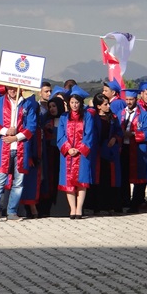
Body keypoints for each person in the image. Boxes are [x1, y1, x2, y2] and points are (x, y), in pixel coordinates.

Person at [0, 85, 37, 223]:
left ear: (20, 88)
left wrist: (16, 137)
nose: (12, 90)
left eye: (15, 88)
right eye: (9, 87)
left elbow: (32, 126)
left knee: (19, 182)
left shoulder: (28, 104)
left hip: (21, 148)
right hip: (3, 149)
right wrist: (6, 131)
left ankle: (12, 211)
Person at [57, 88, 94, 219]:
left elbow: (89, 135)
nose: (74, 105)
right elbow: (60, 135)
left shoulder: (87, 116)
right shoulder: (64, 117)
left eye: (77, 102)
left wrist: (78, 148)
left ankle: (79, 209)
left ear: (81, 103)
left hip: (82, 154)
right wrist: (68, 148)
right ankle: (72, 209)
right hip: (67, 155)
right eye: (72, 102)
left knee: (82, 181)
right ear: (69, 103)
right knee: (68, 182)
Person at [86, 92, 122, 214]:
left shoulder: (113, 117)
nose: (108, 106)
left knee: (109, 179)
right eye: (105, 104)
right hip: (96, 152)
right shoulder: (92, 117)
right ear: (98, 106)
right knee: (96, 178)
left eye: (108, 103)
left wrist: (115, 138)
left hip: (109, 152)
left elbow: (119, 131)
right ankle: (95, 206)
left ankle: (108, 205)